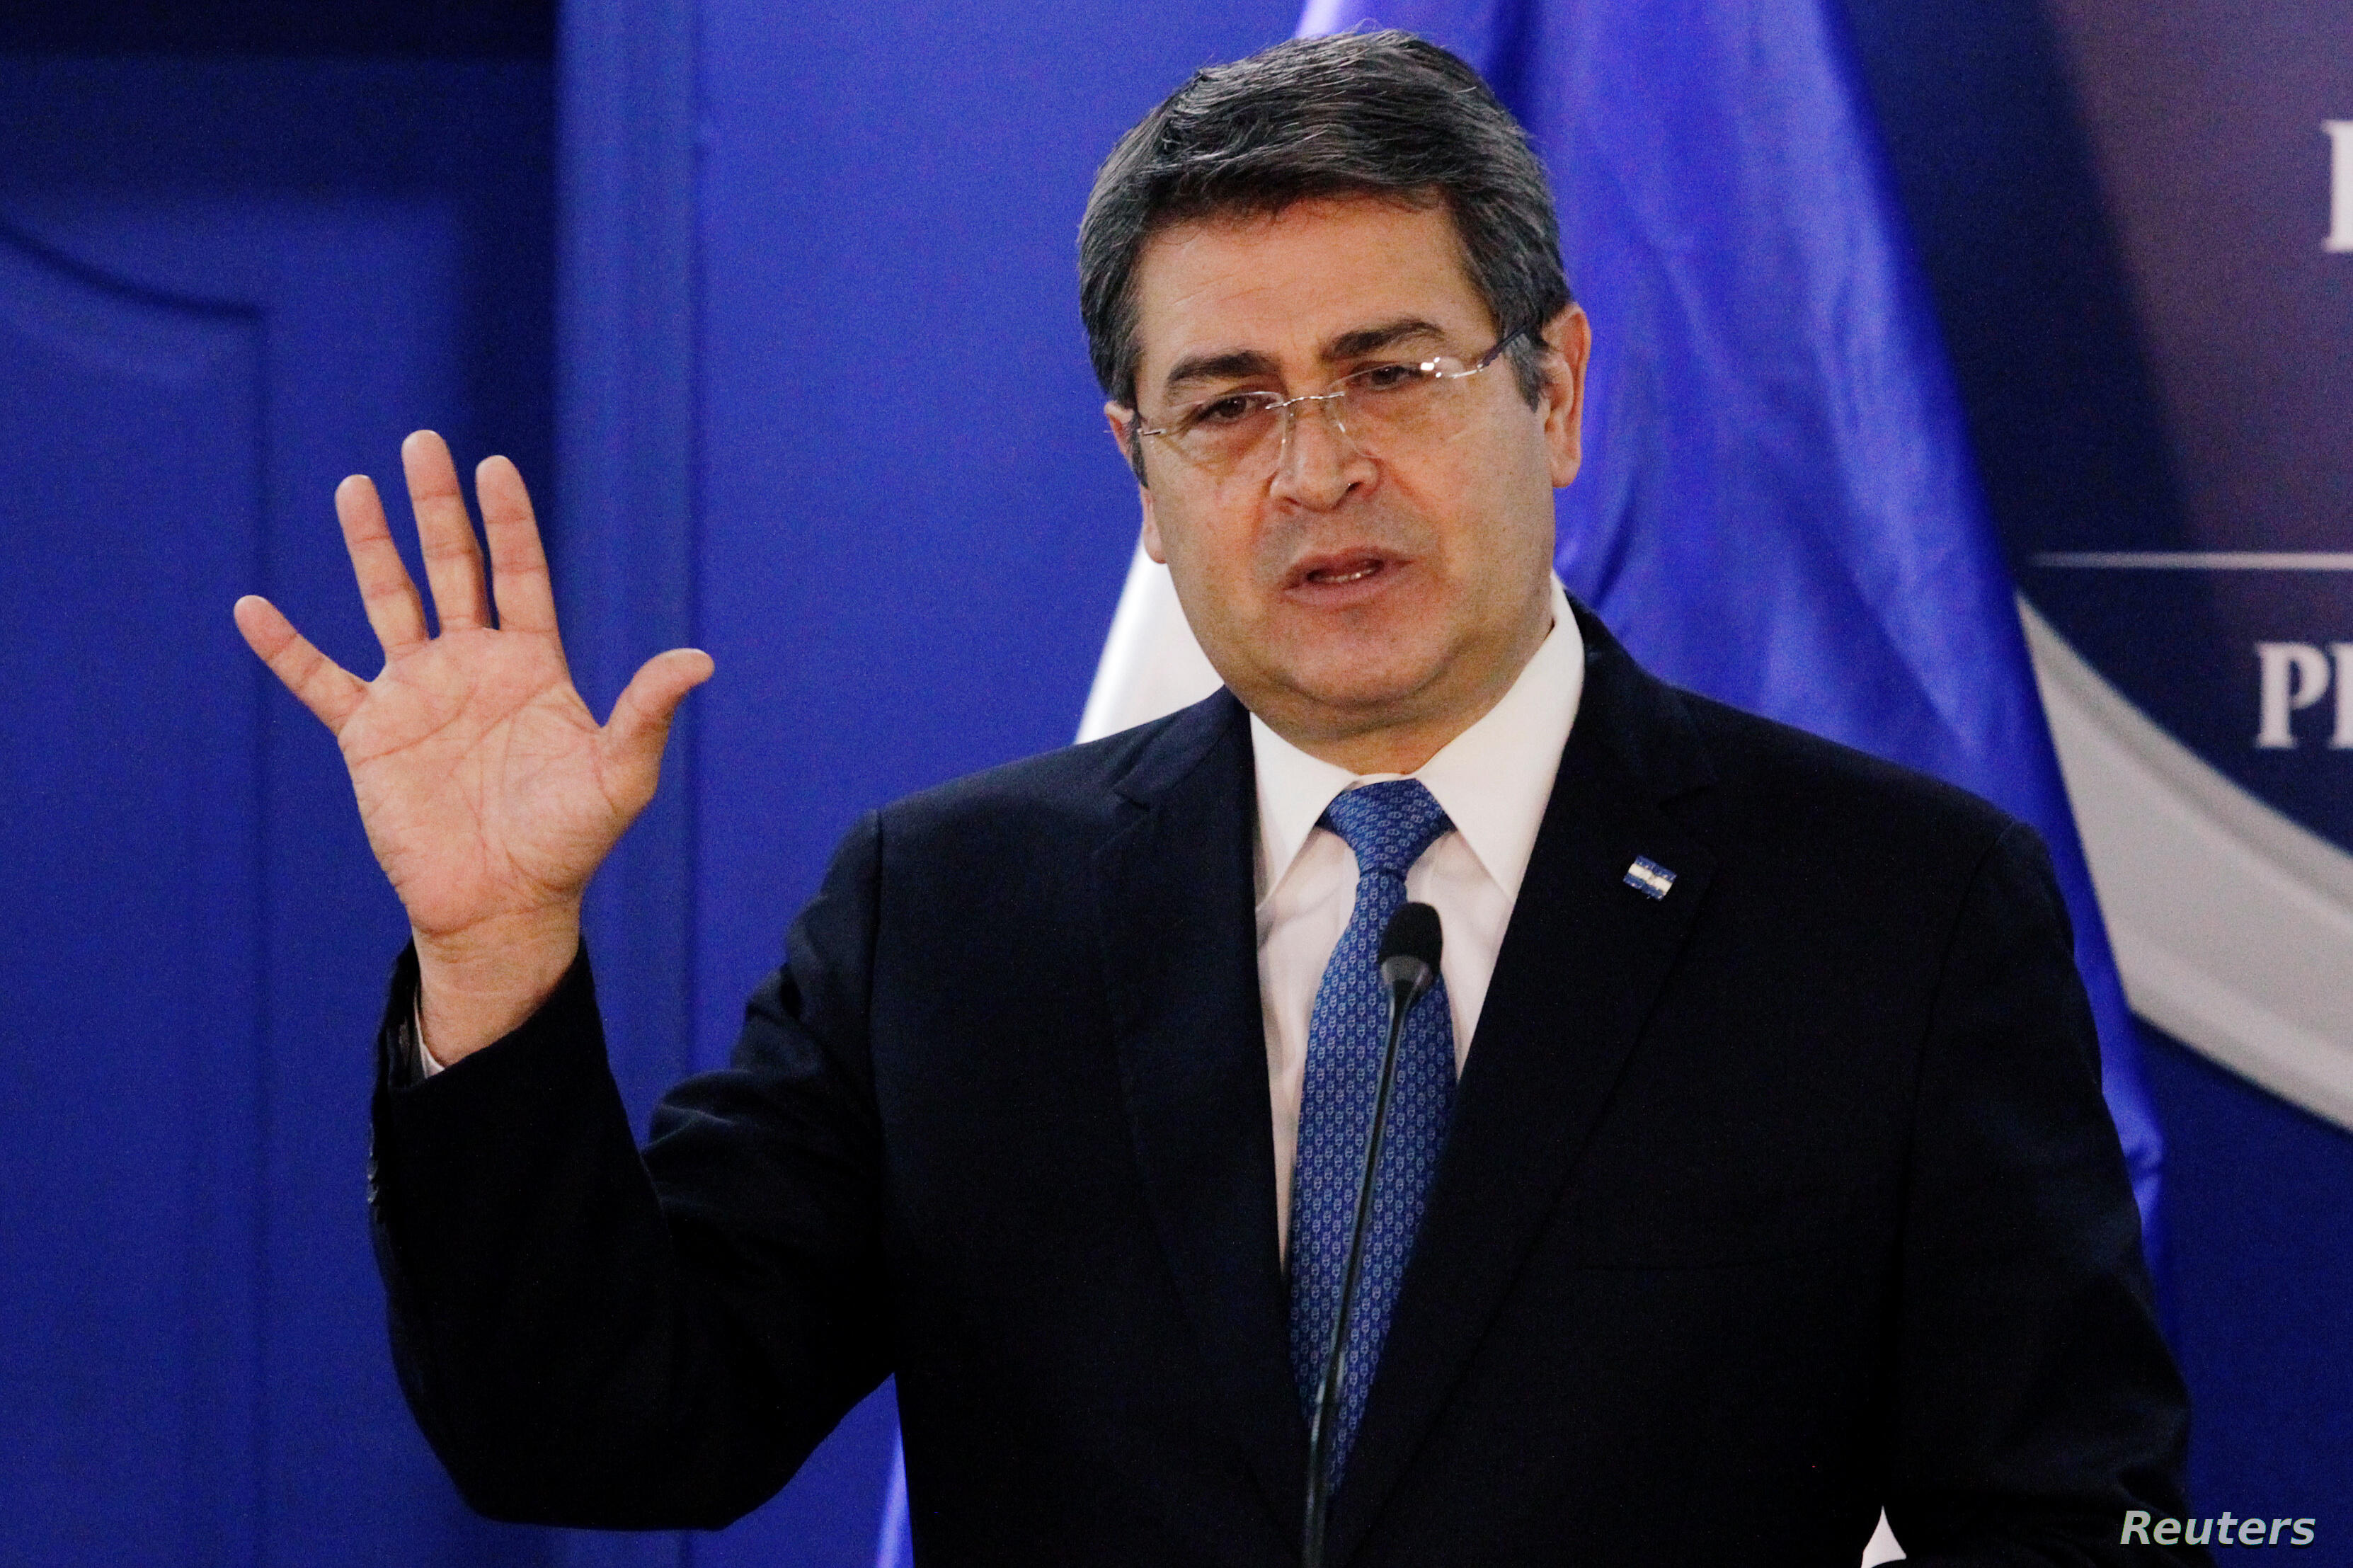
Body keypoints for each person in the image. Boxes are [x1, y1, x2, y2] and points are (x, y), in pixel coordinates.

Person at [234, 30, 2202, 1567]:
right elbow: (608, 1426)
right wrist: (493, 956)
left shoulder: (1894, 910)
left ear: (1555, 391)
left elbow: (2087, 1523)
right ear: (1143, 475)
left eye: (1391, 368)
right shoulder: (951, 913)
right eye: (1228, 403)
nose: (1316, 465)